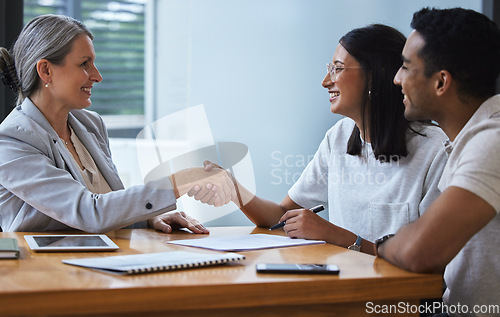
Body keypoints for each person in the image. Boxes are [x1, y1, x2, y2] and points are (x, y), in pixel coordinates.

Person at [201, 24, 448, 254]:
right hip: (342, 289)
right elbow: (281, 215)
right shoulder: (339, 137)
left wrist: (339, 236)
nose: (325, 81)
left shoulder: (435, 150)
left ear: (375, 75)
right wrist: (233, 188)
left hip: (398, 299)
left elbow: (430, 258)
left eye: (337, 69)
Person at [0, 14, 236, 233]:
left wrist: (149, 218)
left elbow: (110, 203)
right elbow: (88, 211)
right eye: (84, 64)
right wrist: (181, 180)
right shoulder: (11, 141)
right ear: (46, 70)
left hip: (98, 267)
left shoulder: (91, 125)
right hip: (45, 273)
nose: (97, 76)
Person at [375, 8, 500, 317]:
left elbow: (420, 252)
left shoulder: (491, 141)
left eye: (405, 67)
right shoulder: (471, 139)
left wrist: (384, 245)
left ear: (441, 82)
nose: (396, 79)